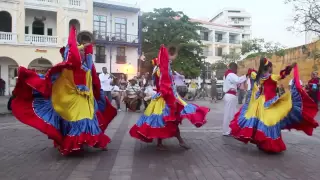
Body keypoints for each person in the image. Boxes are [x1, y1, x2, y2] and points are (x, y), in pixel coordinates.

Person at [10, 26, 117, 155]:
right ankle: (75, 143)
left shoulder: (88, 60)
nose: (84, 49)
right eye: (83, 43)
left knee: (89, 117)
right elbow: (73, 57)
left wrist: (96, 90)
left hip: (86, 96)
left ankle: (94, 140)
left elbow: (91, 75)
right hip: (71, 94)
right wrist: (83, 47)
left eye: (86, 43)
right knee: (77, 118)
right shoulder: (70, 55)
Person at [229, 57, 318, 153]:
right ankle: (268, 145)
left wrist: (253, 71)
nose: (272, 69)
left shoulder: (258, 76)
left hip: (259, 103)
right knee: (271, 123)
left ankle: (261, 143)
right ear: (269, 67)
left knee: (260, 123)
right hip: (270, 103)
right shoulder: (271, 77)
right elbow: (282, 75)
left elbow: (251, 72)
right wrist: (291, 67)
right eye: (271, 67)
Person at [129, 45, 210, 150]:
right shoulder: (163, 67)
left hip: (163, 97)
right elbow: (165, 85)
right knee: (168, 120)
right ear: (173, 54)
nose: (176, 56)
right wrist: (170, 96)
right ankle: (179, 141)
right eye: (176, 54)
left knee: (163, 121)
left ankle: (165, 142)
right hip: (166, 98)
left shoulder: (160, 66)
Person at [222, 62, 247, 136]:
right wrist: (246, 75)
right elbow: (238, 80)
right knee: (229, 114)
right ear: (234, 68)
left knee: (231, 114)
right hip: (230, 95)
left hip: (230, 95)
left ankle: (229, 130)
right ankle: (226, 131)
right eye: (237, 69)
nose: (237, 70)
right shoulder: (231, 74)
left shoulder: (227, 74)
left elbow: (236, 82)